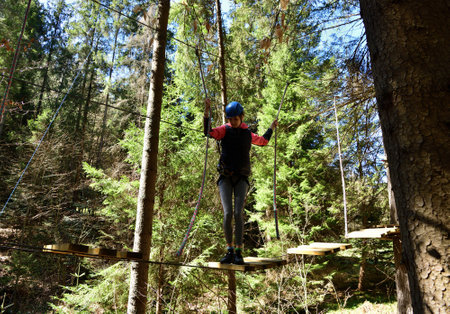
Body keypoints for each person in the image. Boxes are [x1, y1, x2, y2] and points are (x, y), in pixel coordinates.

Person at [204, 99, 278, 264]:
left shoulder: (247, 133)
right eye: (230, 119)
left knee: (238, 213)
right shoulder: (224, 130)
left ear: (241, 117)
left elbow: (263, 141)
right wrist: (207, 112)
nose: (233, 122)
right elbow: (208, 132)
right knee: (228, 213)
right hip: (225, 177)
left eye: (235, 119)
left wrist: (271, 128)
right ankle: (229, 250)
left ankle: (238, 251)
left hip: (242, 178)